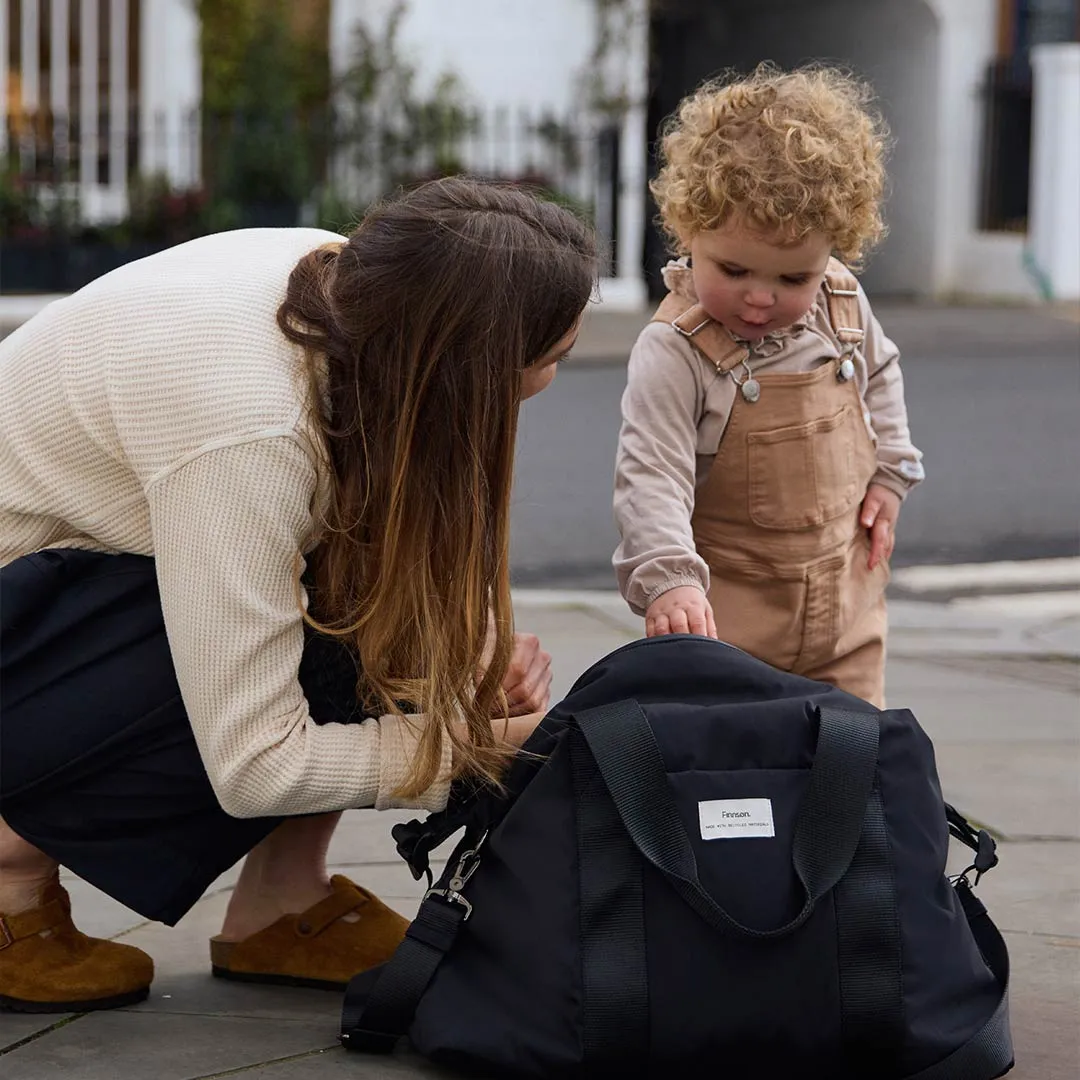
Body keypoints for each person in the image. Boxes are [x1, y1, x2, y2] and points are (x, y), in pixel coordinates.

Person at [0, 177, 596, 1012]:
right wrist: (470, 749)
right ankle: (10, 875)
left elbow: (400, 522)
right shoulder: (248, 428)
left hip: (64, 592)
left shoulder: (351, 287)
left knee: (366, 591)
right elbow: (256, 766)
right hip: (25, 622)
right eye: (543, 362)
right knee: (317, 623)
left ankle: (284, 901)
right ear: (460, 367)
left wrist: (470, 657)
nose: (547, 381)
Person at [613, 65, 924, 707]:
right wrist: (669, 580)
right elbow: (651, 476)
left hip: (848, 609)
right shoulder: (676, 349)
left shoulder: (839, 300)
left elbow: (882, 374)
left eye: (792, 279)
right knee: (736, 776)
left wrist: (892, 472)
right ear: (686, 227)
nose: (760, 298)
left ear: (832, 253)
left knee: (853, 758)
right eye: (733, 269)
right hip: (728, 620)